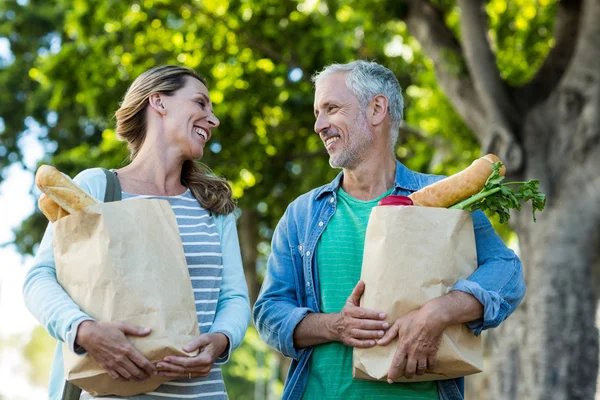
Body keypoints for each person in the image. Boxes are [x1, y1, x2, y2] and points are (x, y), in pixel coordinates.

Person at [253, 60, 526, 400]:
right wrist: (335, 326)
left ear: (377, 108)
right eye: (317, 112)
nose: (318, 125)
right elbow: (268, 313)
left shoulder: (446, 200)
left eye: (331, 109)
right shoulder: (303, 215)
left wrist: (438, 313)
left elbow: (508, 272)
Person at [23, 65, 250, 400]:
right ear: (158, 101)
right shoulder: (97, 188)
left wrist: (220, 340)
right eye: (201, 104)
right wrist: (83, 330)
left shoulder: (214, 205)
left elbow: (233, 298)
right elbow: (40, 278)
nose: (212, 120)